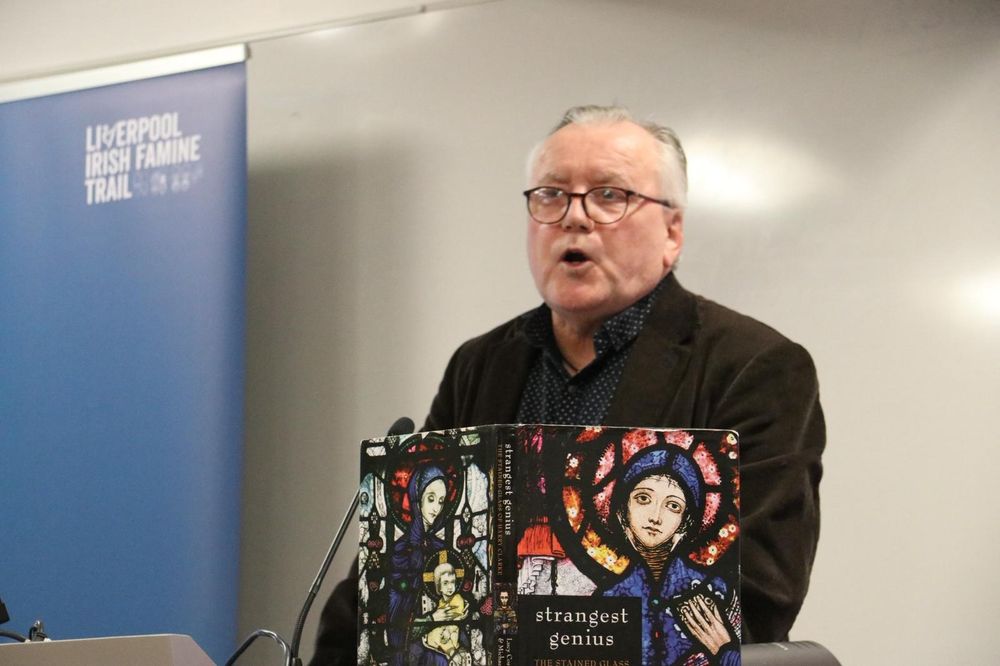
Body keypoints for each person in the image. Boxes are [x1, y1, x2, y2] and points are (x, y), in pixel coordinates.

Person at [310, 104, 825, 665]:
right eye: (551, 195)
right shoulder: (482, 363)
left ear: (672, 231)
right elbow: (398, 564)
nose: (574, 218)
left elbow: (755, 596)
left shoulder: (755, 367)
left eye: (609, 195)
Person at [601, 446, 739, 665]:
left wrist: (725, 653)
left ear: (685, 523)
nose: (655, 517)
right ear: (622, 509)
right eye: (643, 498)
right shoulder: (607, 598)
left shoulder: (717, 592)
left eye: (673, 506)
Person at [386, 465, 450, 666]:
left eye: (441, 501)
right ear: (416, 499)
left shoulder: (440, 549)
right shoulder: (401, 551)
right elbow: (396, 613)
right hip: (407, 652)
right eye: (431, 499)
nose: (436, 508)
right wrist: (431, 619)